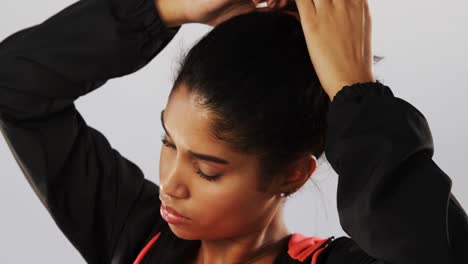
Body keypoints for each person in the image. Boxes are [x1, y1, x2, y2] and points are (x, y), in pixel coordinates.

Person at [0, 0, 466, 263]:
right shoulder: (137, 238)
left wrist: (355, 92)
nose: (170, 183)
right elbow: (14, 86)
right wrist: (164, 7)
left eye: (207, 170)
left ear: (294, 175)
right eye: (168, 142)